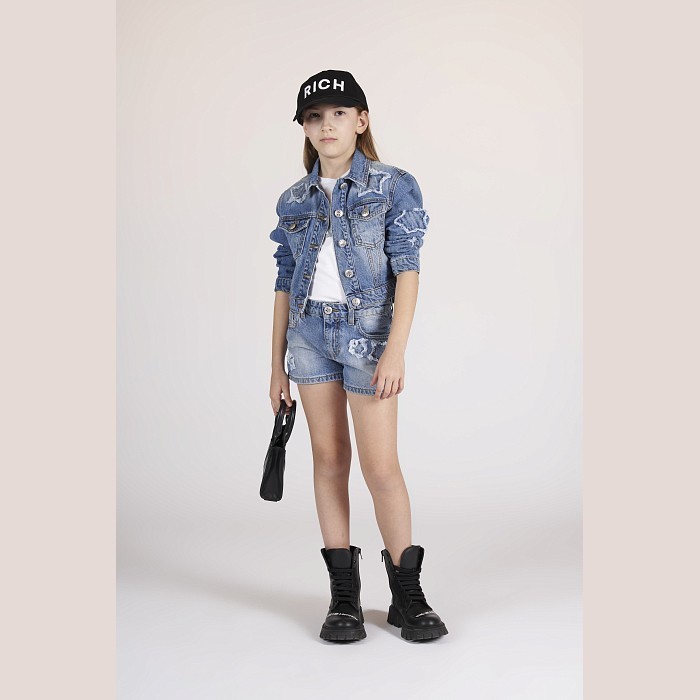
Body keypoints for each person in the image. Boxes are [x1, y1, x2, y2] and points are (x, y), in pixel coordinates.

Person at [268, 69, 448, 643]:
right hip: (308, 338)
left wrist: (396, 350)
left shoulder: (393, 186)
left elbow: (408, 269)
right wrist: (276, 365)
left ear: (361, 121)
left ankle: (407, 595)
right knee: (328, 461)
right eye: (315, 117)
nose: (327, 125)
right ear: (305, 128)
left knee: (381, 467)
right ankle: (344, 597)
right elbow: (284, 282)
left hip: (369, 339)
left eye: (339, 114)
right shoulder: (294, 200)